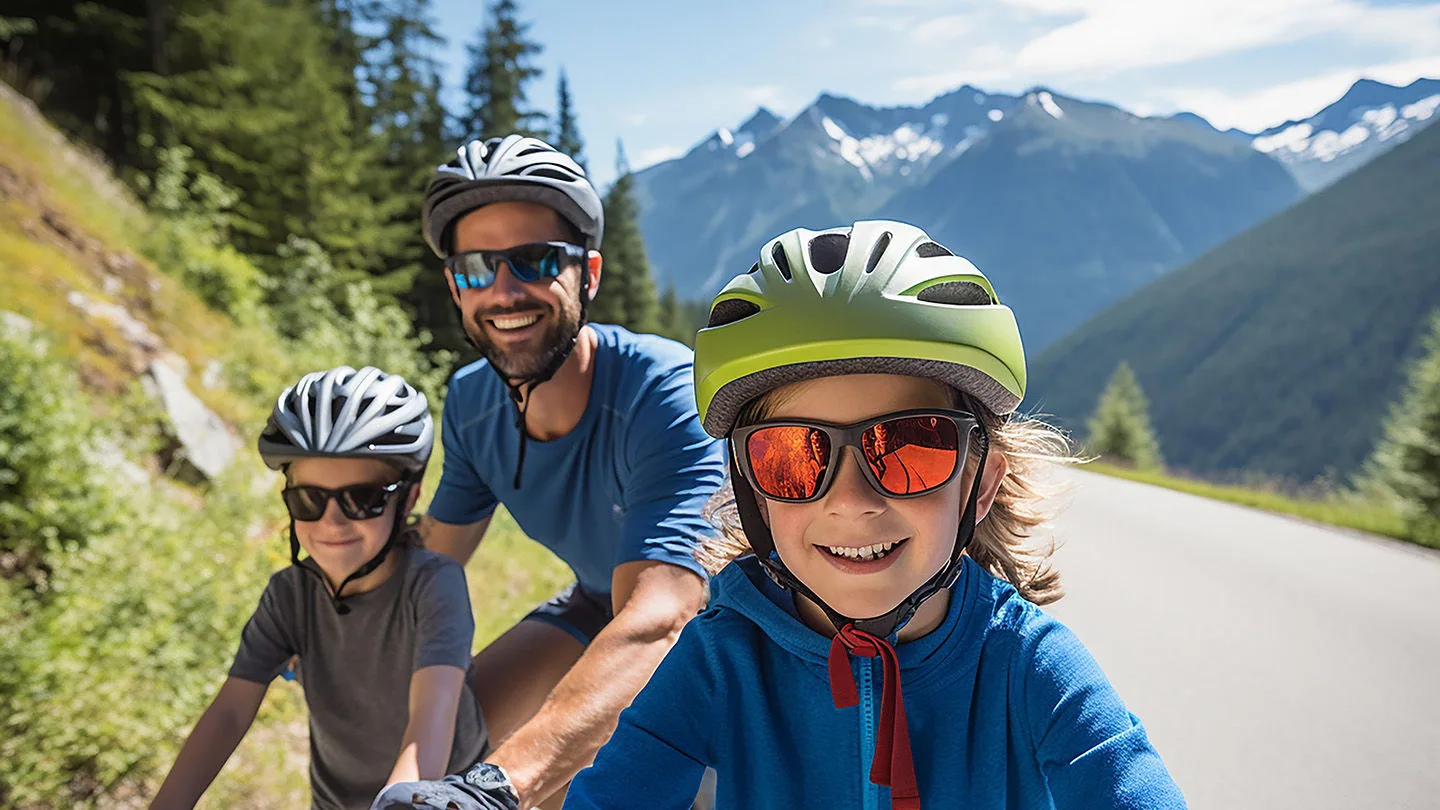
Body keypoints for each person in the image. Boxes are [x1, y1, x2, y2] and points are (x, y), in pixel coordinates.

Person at [563, 221, 1188, 809]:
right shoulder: (723, 660)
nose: (852, 500)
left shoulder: (1027, 664)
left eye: (911, 446)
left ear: (982, 481)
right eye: (791, 457)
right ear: (753, 490)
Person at [372, 135, 727, 810]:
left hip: (723, 631)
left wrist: (498, 791)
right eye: (476, 268)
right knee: (444, 731)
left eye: (534, 261)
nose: (504, 292)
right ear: (454, 285)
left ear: (587, 274)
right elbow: (431, 560)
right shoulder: (474, 401)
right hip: (598, 603)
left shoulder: (666, 394)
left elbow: (662, 618)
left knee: (646, 780)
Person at [149, 366, 485, 810]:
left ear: (408, 498)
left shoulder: (434, 585)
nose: (331, 521)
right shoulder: (289, 595)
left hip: (436, 798)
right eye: (308, 499)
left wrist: (405, 802)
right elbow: (230, 713)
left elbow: (432, 719)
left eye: (362, 499)